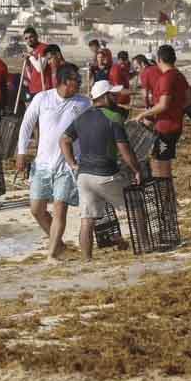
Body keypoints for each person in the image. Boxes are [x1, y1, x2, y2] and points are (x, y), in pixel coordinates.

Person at [60, 80, 144, 260]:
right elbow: (124, 149)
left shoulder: (81, 118)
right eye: (113, 95)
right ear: (104, 97)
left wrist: (73, 164)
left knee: (87, 220)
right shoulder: (114, 119)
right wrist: (136, 170)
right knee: (135, 205)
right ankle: (144, 245)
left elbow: (64, 140)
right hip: (106, 175)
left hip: (83, 176)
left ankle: (87, 259)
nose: (116, 98)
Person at [17, 64, 91, 259]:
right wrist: (21, 153)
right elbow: (26, 124)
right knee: (36, 209)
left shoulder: (84, 103)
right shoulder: (42, 98)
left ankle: (51, 255)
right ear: (64, 81)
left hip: (67, 165)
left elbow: (93, 128)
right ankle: (58, 245)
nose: (80, 84)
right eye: (77, 80)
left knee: (60, 209)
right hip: (42, 164)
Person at [134, 45, 190, 179]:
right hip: (175, 124)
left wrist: (143, 114)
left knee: (161, 165)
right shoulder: (179, 75)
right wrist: (177, 110)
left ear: (159, 59)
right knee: (161, 161)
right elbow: (189, 99)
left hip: (166, 127)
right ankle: (166, 194)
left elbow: (163, 105)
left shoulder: (167, 78)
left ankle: (166, 196)